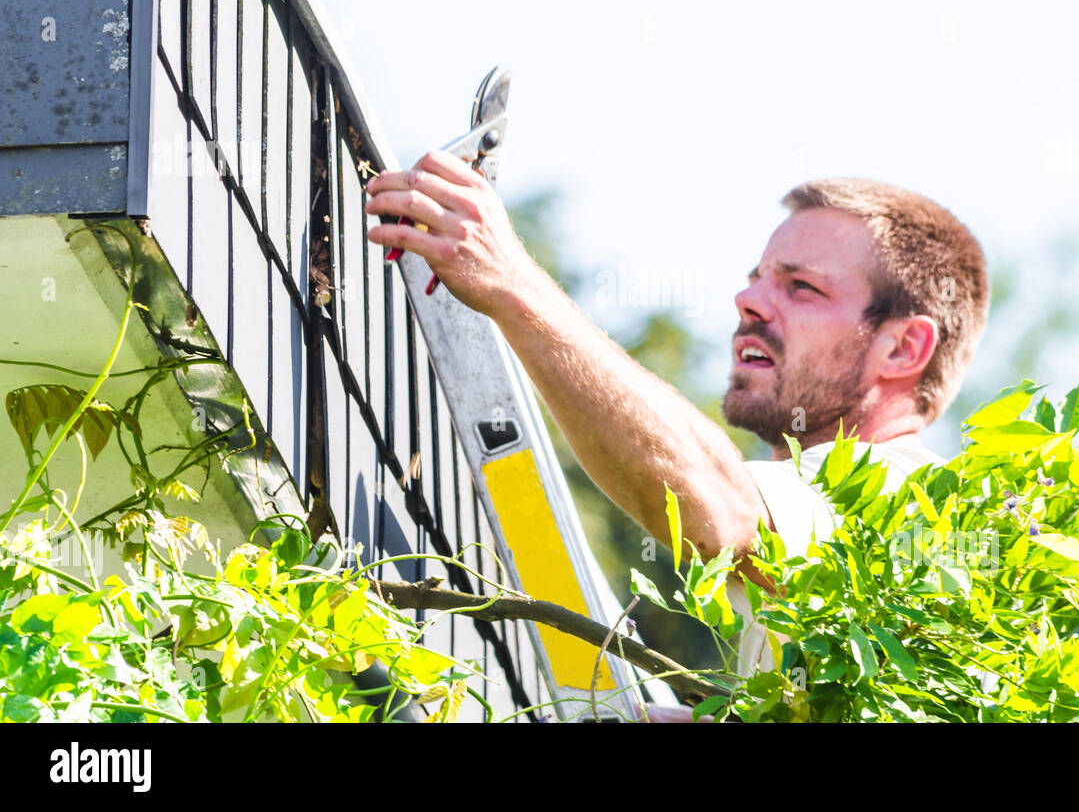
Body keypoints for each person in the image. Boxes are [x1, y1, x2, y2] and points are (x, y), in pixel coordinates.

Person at [364, 155, 989, 719]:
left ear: (903, 346)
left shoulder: (903, 494)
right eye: (757, 278)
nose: (748, 300)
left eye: (803, 287)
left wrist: (514, 284)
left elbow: (722, 508)